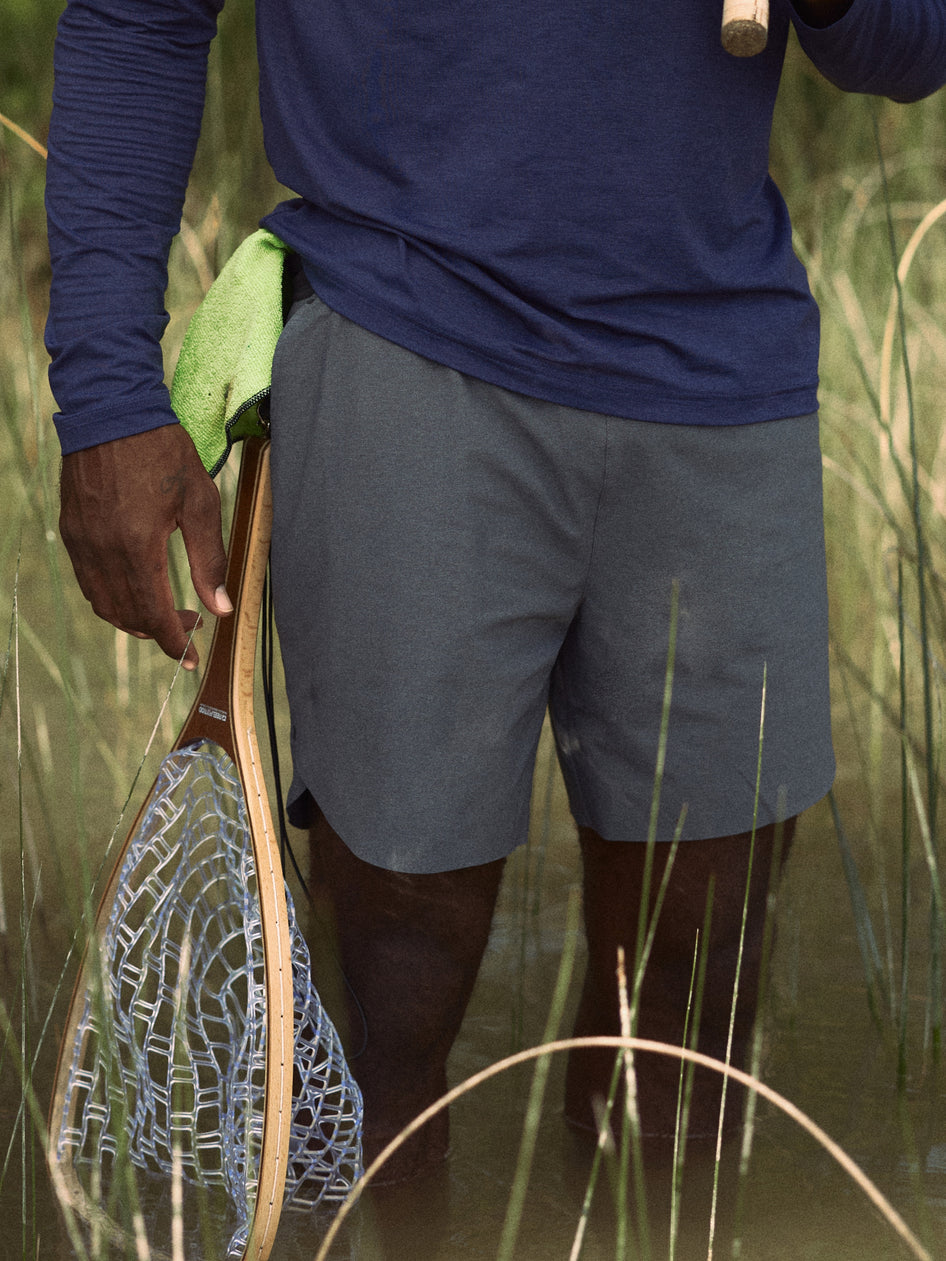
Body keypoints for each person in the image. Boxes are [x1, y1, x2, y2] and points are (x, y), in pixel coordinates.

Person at [47, 0, 946, 1186]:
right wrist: (110, 391)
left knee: (698, 990)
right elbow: (138, 16)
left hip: (721, 368)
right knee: (397, 978)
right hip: (402, 321)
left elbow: (908, 45)